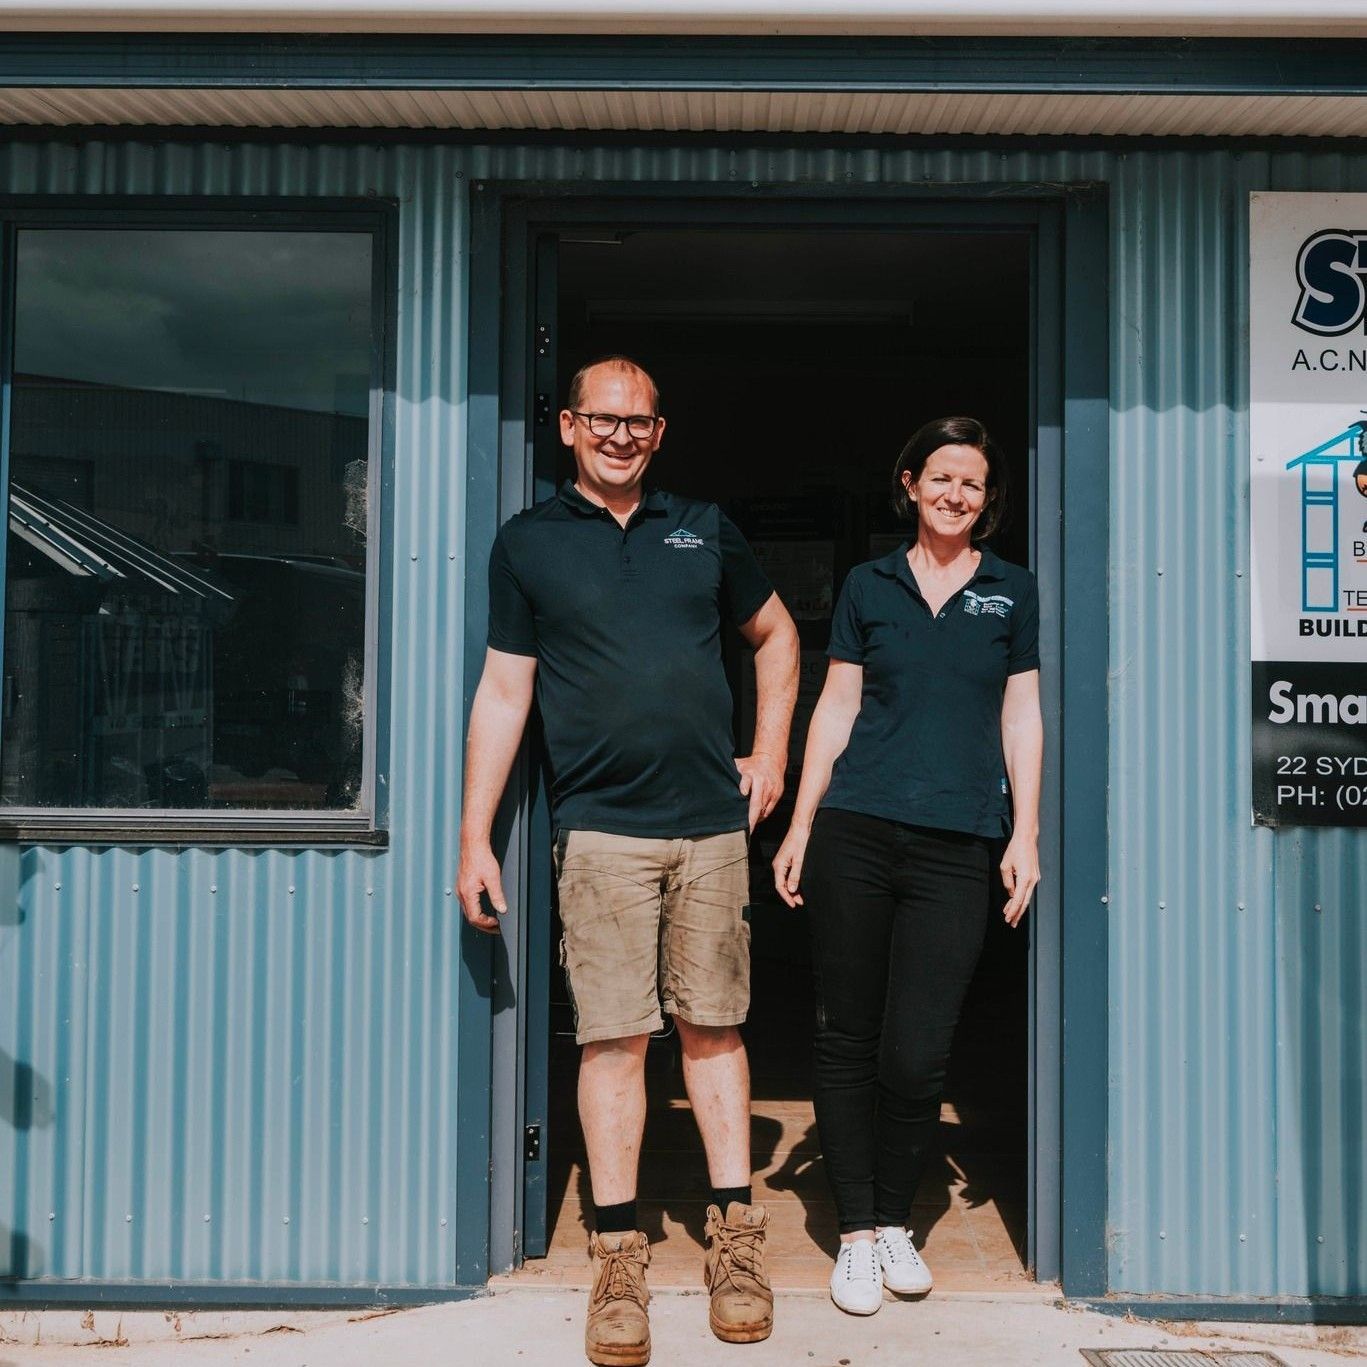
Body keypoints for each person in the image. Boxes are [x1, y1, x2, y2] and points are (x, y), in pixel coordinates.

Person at [457, 356, 799, 1366]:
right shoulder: (526, 544)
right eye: (600, 419)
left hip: (708, 825)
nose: (617, 435)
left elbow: (775, 636)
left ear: (659, 430)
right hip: (598, 828)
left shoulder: (703, 526)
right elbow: (504, 693)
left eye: (636, 422)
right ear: (567, 425)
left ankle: (733, 1240)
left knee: (713, 1027)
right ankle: (617, 1255)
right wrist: (474, 831)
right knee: (613, 1037)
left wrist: (770, 750)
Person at [771, 415, 1042, 1316]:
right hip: (855, 827)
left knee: (919, 1049)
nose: (955, 493)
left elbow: (1020, 718)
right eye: (941, 478)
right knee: (845, 1033)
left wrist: (1025, 833)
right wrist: (802, 821)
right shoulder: (868, 584)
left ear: (986, 499)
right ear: (910, 484)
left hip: (958, 840)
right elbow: (836, 704)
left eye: (972, 483)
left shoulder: (1011, 591)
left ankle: (895, 1218)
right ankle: (855, 1231)